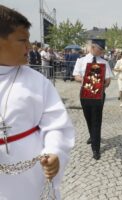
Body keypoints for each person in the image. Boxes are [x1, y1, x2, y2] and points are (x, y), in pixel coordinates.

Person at [0, 5, 75, 199]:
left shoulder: (37, 81)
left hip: (30, 174)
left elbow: (56, 125)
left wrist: (54, 151)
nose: (29, 47)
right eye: (22, 40)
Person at [73, 39, 113, 160]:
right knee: (88, 117)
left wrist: (103, 84)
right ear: (92, 47)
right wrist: (85, 79)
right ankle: (92, 135)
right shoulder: (81, 61)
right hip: (85, 93)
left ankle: (96, 148)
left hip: (98, 95)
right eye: (99, 49)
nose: (101, 52)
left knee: (96, 119)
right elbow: (76, 76)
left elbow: (108, 80)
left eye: (102, 50)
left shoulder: (104, 63)